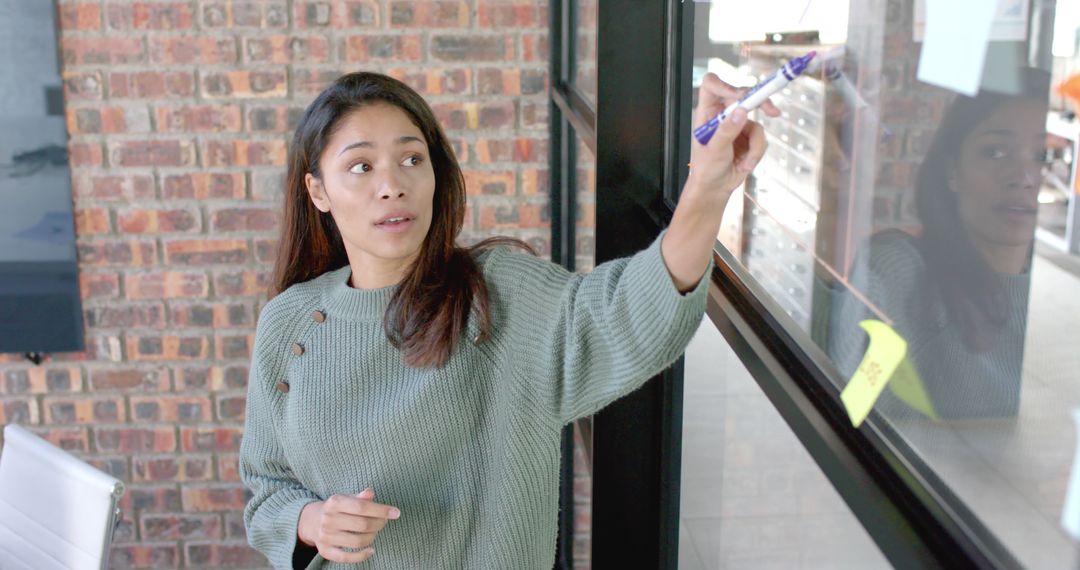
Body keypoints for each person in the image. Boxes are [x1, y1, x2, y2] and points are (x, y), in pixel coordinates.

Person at [239, 71, 774, 569]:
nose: (392, 185)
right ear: (318, 192)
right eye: (361, 166)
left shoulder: (495, 295)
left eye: (411, 159)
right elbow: (267, 489)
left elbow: (627, 314)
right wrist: (311, 522)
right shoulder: (289, 323)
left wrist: (706, 188)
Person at [828, 68, 1050, 420]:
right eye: (995, 152)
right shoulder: (900, 273)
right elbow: (847, 399)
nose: (1023, 177)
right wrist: (845, 189)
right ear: (952, 172)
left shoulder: (1057, 296)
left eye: (1042, 156)